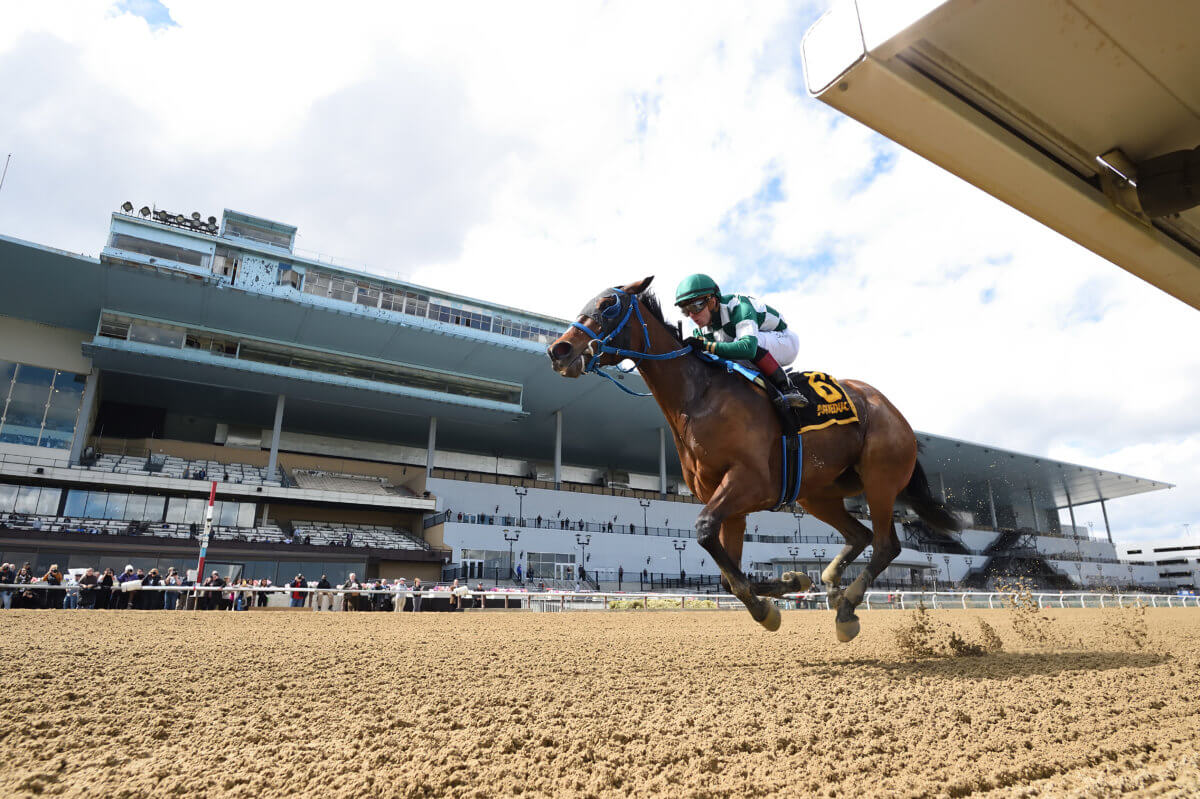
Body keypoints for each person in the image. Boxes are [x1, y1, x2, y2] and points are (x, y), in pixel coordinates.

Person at [675, 273, 808, 411]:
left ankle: (787, 387)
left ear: (712, 301)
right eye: (685, 310)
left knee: (743, 343)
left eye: (695, 307)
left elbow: (747, 348)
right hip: (756, 348)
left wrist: (706, 345)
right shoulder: (701, 331)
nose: (691, 315)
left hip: (785, 341)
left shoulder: (740, 306)